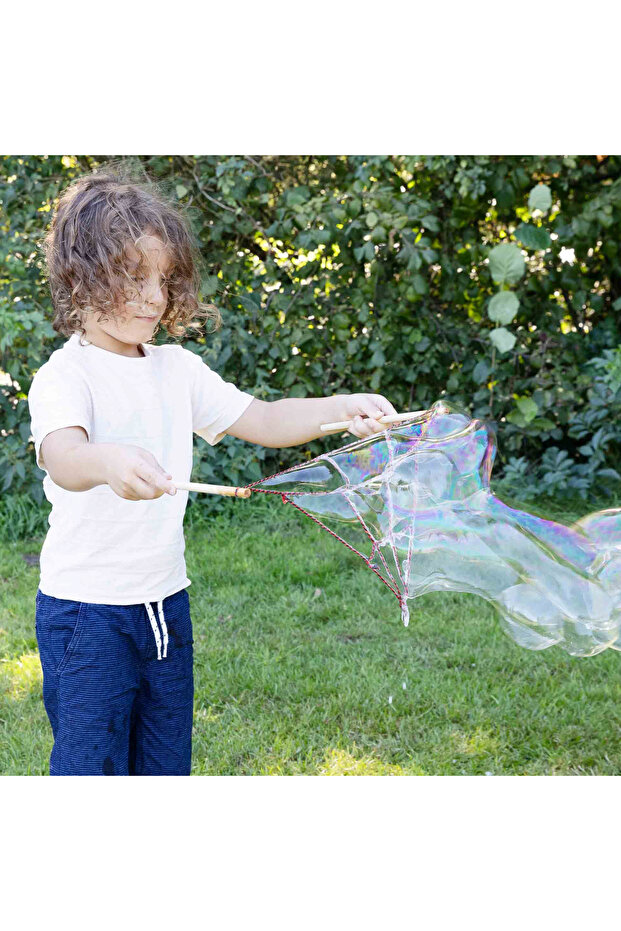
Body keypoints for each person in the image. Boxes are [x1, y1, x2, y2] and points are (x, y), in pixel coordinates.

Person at [28, 165, 398, 775]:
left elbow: (267, 419)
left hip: (166, 603)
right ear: (81, 278)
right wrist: (109, 461)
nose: (155, 297)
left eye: (164, 279)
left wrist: (341, 410)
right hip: (85, 614)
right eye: (133, 277)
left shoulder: (177, 369)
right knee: (88, 769)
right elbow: (65, 457)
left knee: (166, 763)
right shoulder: (66, 376)